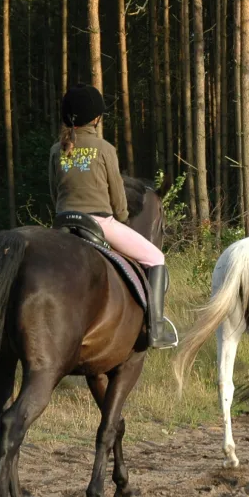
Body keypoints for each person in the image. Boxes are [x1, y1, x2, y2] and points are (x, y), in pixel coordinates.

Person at [50, 83, 178, 348]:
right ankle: (156, 329)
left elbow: (54, 191)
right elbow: (119, 199)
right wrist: (120, 217)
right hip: (98, 222)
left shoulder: (56, 150)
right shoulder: (104, 148)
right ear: (96, 117)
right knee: (156, 257)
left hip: (62, 222)